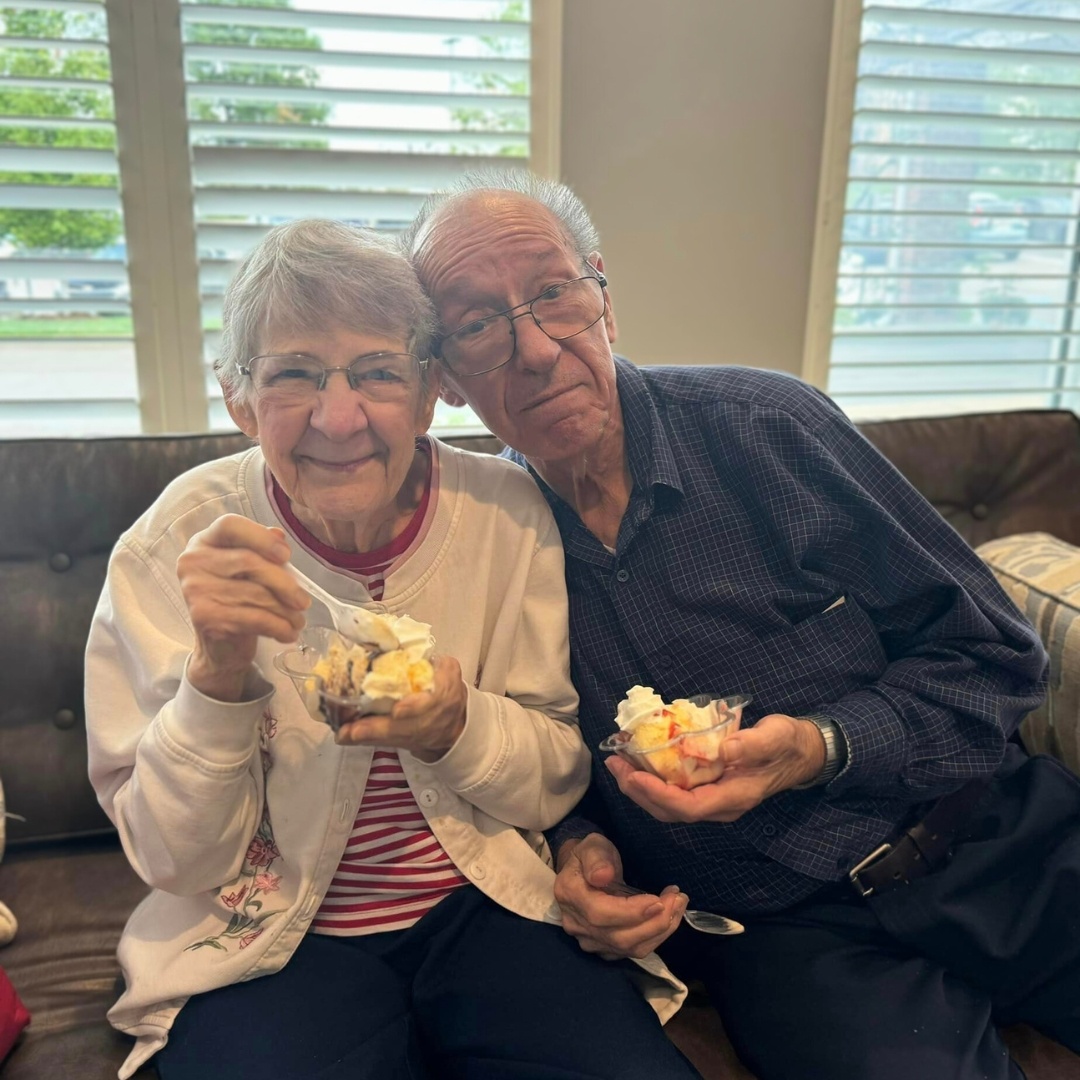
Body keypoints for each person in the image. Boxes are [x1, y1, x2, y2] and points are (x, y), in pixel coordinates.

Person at [400, 172, 1080, 1080]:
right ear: (444, 376)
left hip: (989, 837)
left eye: (553, 292)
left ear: (603, 298)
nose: (533, 349)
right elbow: (539, 755)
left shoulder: (767, 427)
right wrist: (580, 851)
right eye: (479, 324)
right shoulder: (483, 537)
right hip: (786, 933)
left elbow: (996, 657)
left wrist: (820, 746)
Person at [84, 219, 700, 1080]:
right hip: (265, 939)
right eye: (293, 374)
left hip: (485, 906)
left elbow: (557, 771)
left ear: (429, 391)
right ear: (238, 396)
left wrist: (457, 726)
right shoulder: (175, 546)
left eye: (378, 372)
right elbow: (176, 859)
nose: (339, 419)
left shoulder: (505, 513)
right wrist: (216, 679)